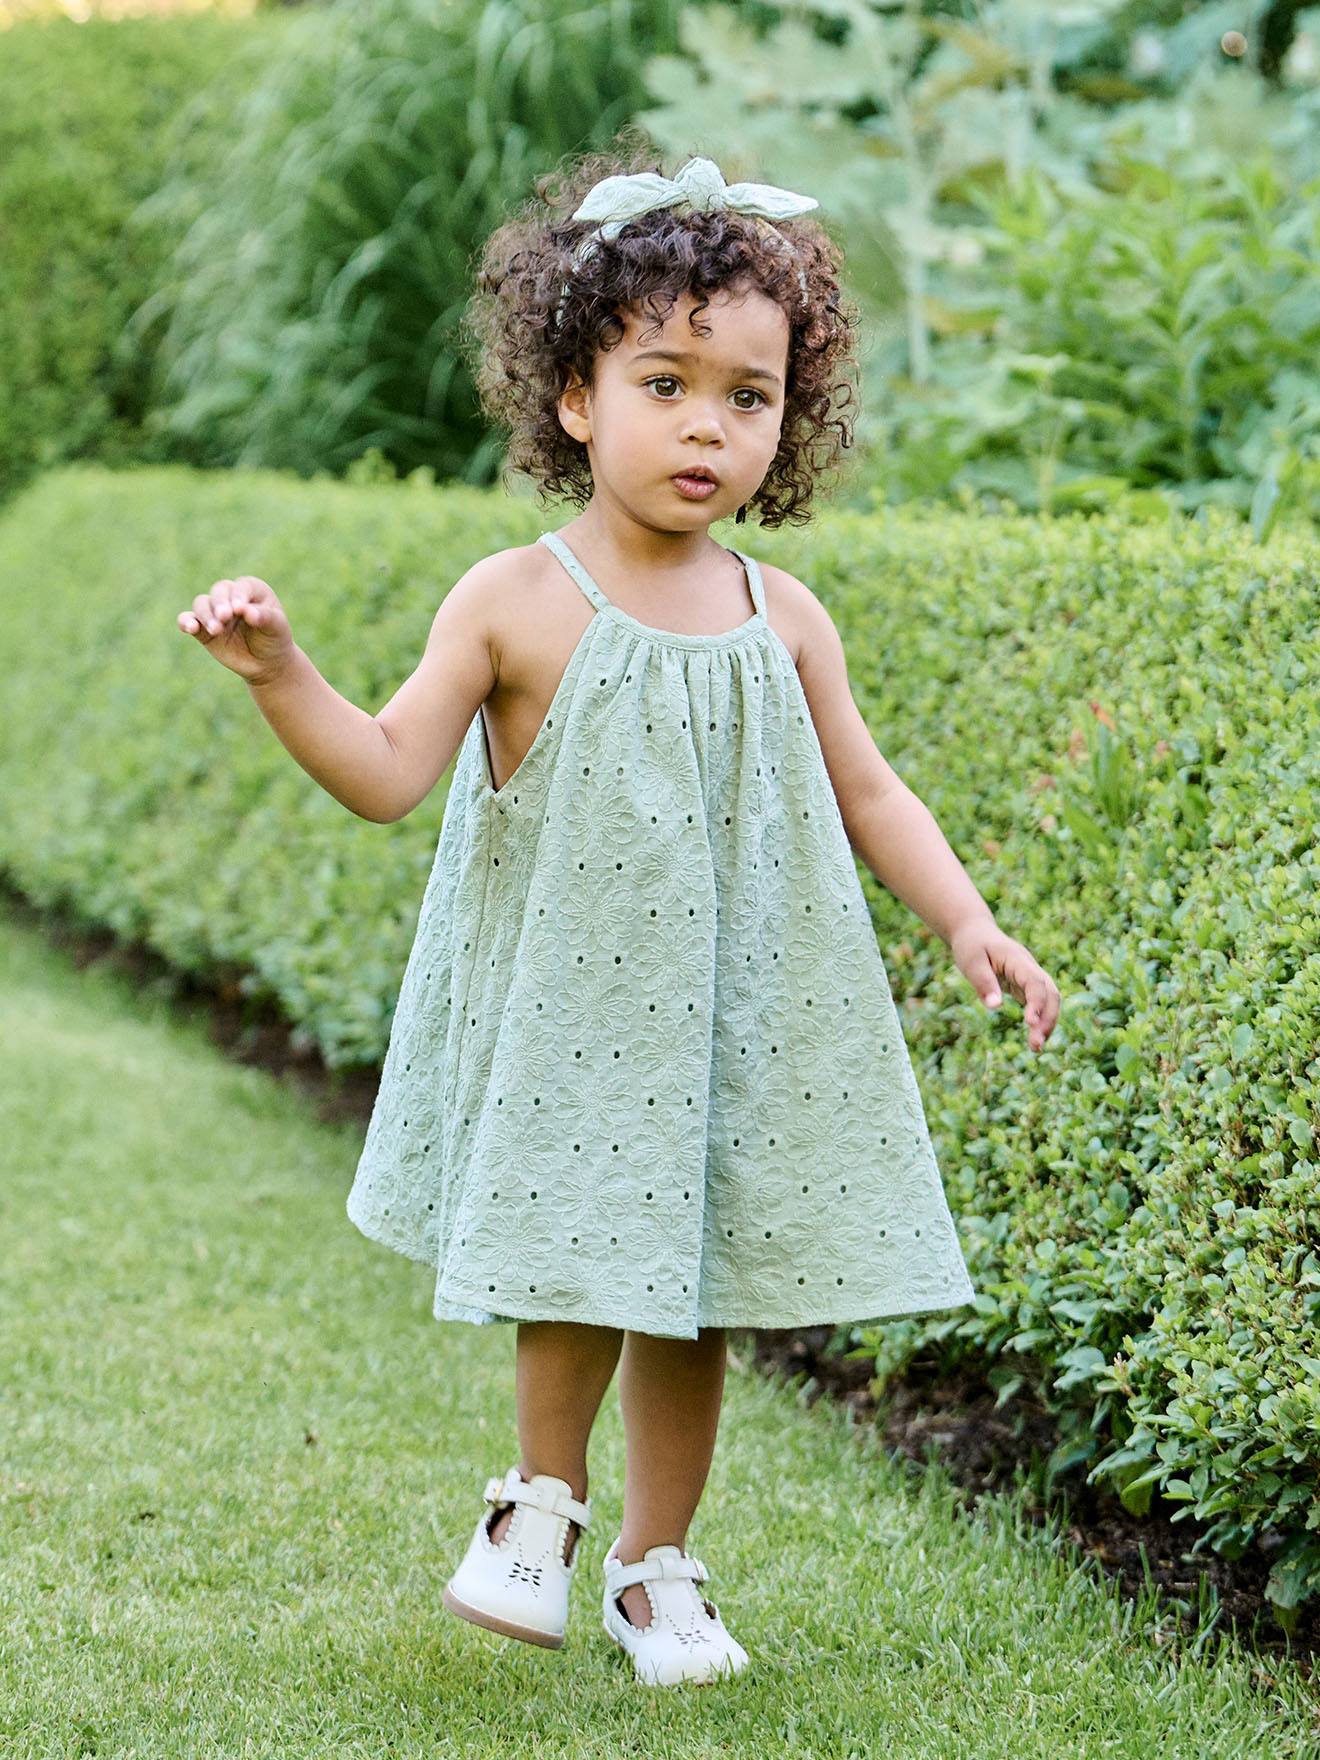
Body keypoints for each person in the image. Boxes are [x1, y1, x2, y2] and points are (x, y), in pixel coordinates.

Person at [177, 138, 1060, 1690]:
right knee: (573, 1259)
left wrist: (966, 921)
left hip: (721, 1012)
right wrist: (280, 677)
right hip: (576, 1020)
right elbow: (387, 773)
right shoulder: (514, 599)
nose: (706, 425)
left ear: (787, 421)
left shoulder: (782, 616)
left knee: (694, 1295)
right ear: (575, 397)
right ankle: (540, 1506)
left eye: (746, 394)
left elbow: (871, 795)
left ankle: (659, 1568)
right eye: (664, 384)